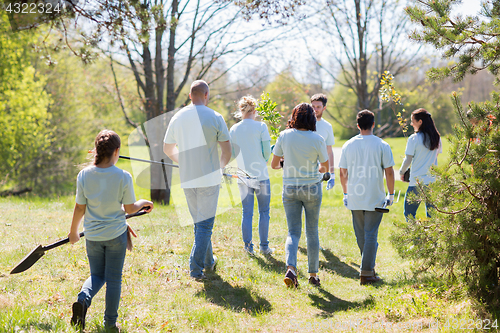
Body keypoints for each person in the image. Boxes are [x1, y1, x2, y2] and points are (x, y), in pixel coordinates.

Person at [69, 129, 154, 331]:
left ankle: (83, 299)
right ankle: (110, 323)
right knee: (114, 279)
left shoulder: (84, 175)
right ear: (117, 151)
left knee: (97, 275)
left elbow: (80, 207)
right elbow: (130, 208)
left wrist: (73, 231)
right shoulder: (123, 176)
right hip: (116, 236)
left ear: (97, 150)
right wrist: (144, 202)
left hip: (93, 236)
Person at [163, 80, 231, 280]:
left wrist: (182, 160)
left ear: (190, 96)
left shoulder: (178, 117)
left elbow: (167, 149)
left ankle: (209, 262)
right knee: (205, 225)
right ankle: (195, 268)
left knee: (200, 223)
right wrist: (220, 168)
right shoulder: (215, 117)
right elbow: (227, 150)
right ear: (206, 95)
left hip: (187, 178)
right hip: (209, 178)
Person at [271, 103, 329, 288]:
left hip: (290, 189)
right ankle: (313, 275)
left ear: (294, 117)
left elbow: (273, 164)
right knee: (312, 231)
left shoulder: (284, 136)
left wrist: (285, 163)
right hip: (312, 187)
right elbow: (325, 167)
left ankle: (291, 269)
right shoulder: (318, 139)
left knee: (293, 232)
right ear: (312, 118)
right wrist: (315, 168)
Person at [339, 110, 395, 285]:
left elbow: (342, 172)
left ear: (357, 125)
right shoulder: (382, 145)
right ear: (373, 124)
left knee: (361, 235)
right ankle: (366, 272)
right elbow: (390, 172)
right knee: (371, 235)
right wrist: (391, 194)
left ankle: (368, 268)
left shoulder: (348, 145)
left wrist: (345, 193)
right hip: (375, 196)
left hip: (355, 196)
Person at [229, 95, 274, 256]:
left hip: (242, 176)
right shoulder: (261, 127)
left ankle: (248, 248)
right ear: (254, 110)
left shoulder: (234, 129)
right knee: (264, 212)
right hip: (261, 175)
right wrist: (263, 160)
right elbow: (267, 151)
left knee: (246, 213)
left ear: (240, 111)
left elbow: (233, 154)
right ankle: (264, 246)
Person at [399, 108, 442, 220]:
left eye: (413, 121)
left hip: (416, 182)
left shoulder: (413, 139)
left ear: (420, 122)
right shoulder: (437, 138)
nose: (411, 123)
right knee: (432, 216)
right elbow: (435, 157)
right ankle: (432, 237)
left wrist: (402, 172)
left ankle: (416, 237)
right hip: (432, 182)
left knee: (409, 213)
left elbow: (408, 159)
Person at [310, 94, 335, 190]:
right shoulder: (303, 123)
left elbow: (329, 151)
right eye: (313, 106)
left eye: (318, 107)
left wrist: (332, 174)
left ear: (324, 108)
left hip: (318, 172)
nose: (315, 109)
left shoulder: (327, 126)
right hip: (301, 170)